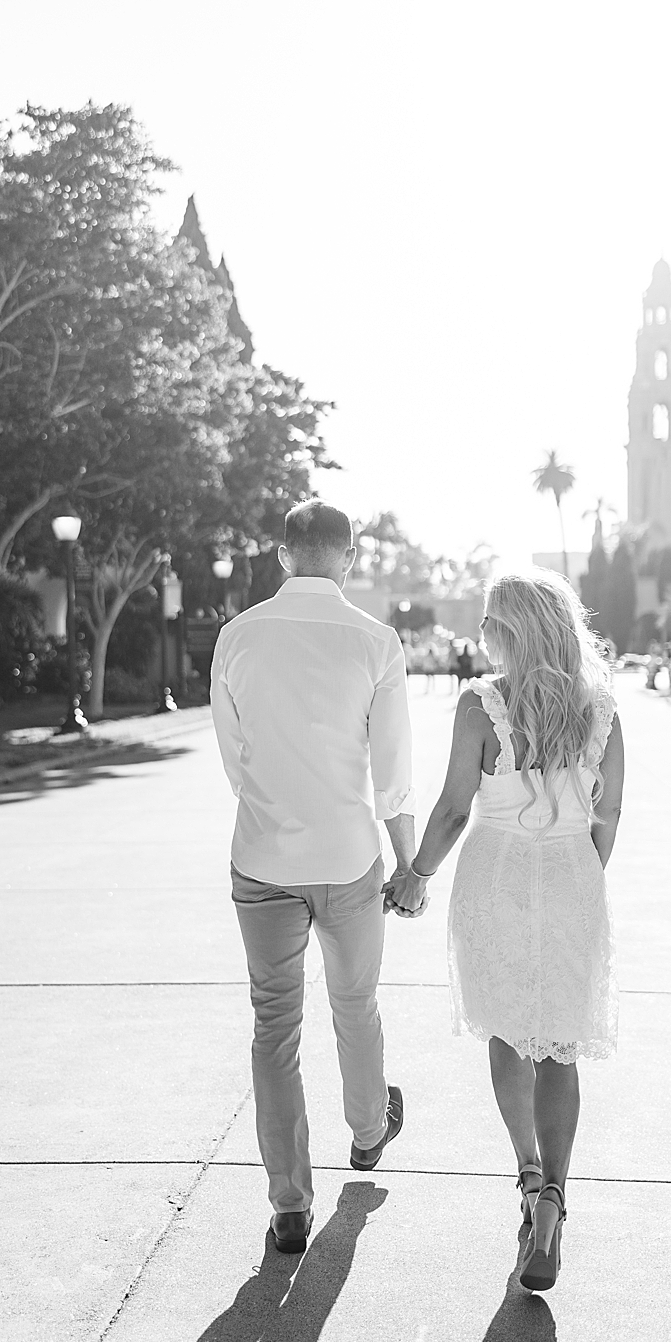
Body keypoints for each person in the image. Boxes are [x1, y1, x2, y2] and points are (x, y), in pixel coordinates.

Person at [398, 569, 623, 1292]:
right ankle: (555, 1194)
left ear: (510, 629)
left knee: (504, 1031)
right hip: (570, 873)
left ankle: (527, 1176)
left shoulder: (480, 703)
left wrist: (416, 873)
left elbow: (455, 808)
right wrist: (583, 872)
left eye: (492, 622)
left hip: (493, 874)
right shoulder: (604, 711)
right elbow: (608, 816)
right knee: (559, 1045)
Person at [211, 499, 420, 1257]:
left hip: (263, 856)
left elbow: (235, 760)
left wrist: (275, 807)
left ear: (283, 553)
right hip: (348, 857)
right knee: (355, 1003)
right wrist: (409, 863)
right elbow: (392, 775)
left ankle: (289, 1203)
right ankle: (368, 1133)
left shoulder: (237, 636)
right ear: (351, 556)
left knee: (275, 1025)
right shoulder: (375, 641)